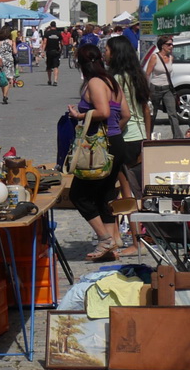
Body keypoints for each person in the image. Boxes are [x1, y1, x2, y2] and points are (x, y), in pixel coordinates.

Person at [67, 45, 128, 260]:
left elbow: (102, 111)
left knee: (78, 194)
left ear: (81, 63)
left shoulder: (94, 82)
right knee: (106, 194)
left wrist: (79, 116)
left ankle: (104, 238)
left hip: (100, 147)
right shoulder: (113, 82)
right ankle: (112, 247)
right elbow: (125, 114)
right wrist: (113, 133)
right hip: (116, 142)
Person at [105, 33, 152, 236]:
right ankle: (147, 232)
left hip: (125, 138)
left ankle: (135, 240)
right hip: (140, 136)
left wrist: (109, 133)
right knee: (141, 190)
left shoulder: (115, 80)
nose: (105, 54)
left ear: (116, 54)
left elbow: (123, 114)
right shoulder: (138, 76)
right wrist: (148, 138)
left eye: (107, 50)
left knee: (127, 193)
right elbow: (146, 110)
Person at [141, 34, 183, 139]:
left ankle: (178, 137)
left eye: (172, 44)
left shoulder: (171, 58)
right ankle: (148, 136)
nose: (171, 46)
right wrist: (147, 90)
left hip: (167, 88)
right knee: (152, 114)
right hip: (155, 88)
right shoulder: (155, 57)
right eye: (169, 44)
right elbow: (147, 74)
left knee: (172, 113)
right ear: (162, 45)